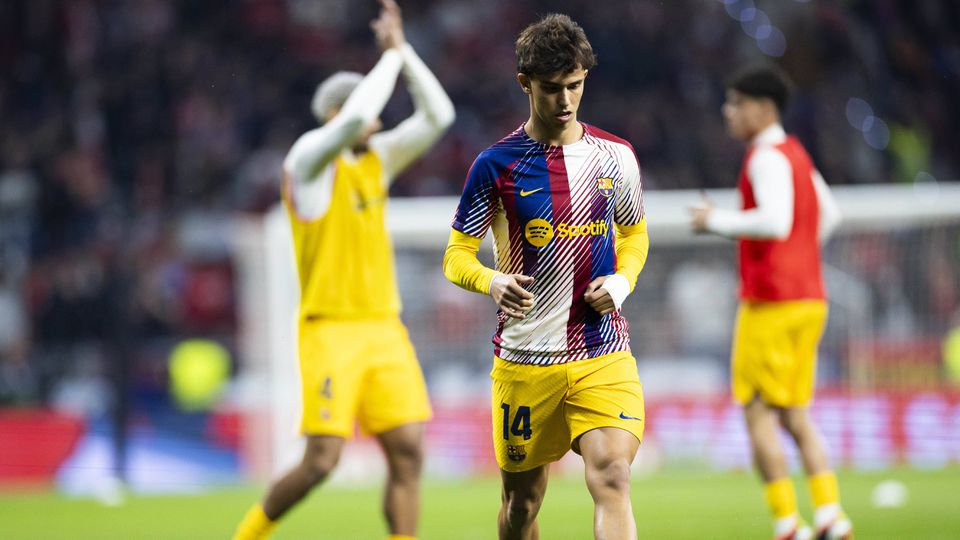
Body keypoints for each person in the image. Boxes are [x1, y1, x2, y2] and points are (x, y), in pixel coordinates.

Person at [232, 1, 454, 539]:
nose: (378, 122)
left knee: (408, 451)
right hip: (330, 329)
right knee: (322, 461)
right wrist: (388, 59)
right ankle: (246, 536)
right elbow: (359, 117)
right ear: (336, 115)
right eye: (369, 112)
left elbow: (439, 116)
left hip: (384, 327)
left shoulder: (375, 158)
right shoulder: (306, 162)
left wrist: (403, 53)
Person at [443, 14, 649, 540]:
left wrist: (621, 284)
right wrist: (491, 281)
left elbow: (634, 236)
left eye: (575, 86)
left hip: (602, 351)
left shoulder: (615, 157)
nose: (566, 101)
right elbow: (456, 255)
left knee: (612, 475)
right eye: (553, 89)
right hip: (525, 359)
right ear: (525, 83)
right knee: (520, 506)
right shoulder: (495, 165)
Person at [689, 66, 851, 540]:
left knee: (756, 411)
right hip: (809, 299)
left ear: (762, 109)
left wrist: (716, 221)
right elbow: (830, 214)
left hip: (772, 303)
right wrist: (800, 260)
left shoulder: (763, 157)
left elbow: (776, 222)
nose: (728, 111)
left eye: (736, 102)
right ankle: (830, 515)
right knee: (795, 414)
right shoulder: (796, 152)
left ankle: (787, 523)